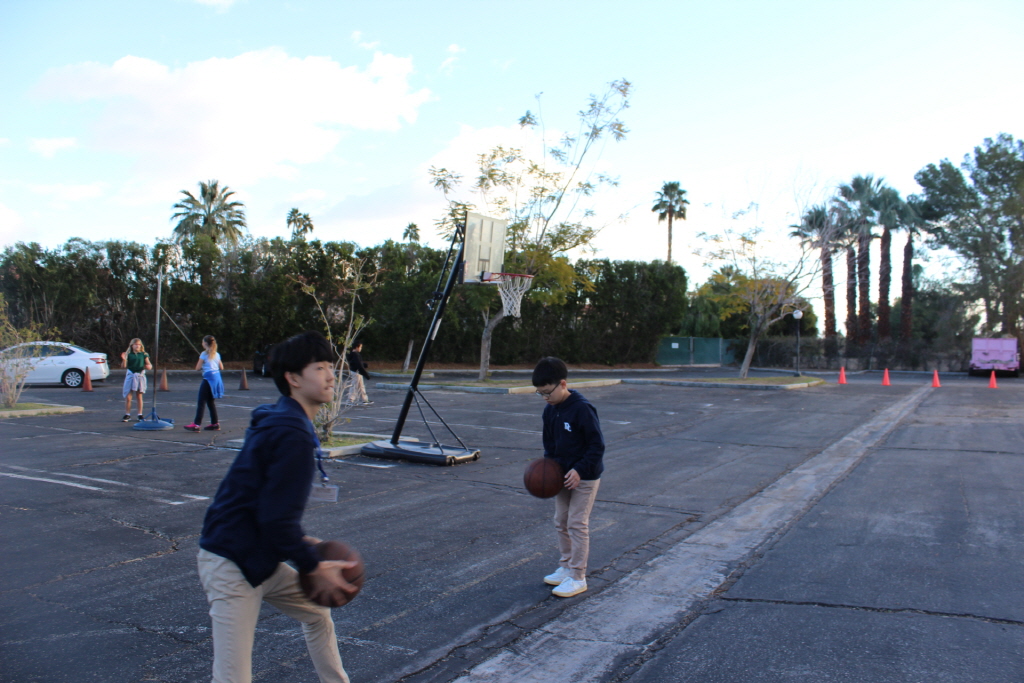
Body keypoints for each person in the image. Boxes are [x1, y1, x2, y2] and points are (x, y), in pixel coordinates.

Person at [197, 331, 355, 683]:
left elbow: (263, 504)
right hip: (231, 563)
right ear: (293, 378)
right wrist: (312, 562)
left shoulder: (285, 419)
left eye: (331, 366)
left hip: (259, 558)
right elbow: (275, 520)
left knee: (317, 614)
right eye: (319, 368)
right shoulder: (291, 432)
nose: (331, 376)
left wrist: (302, 544)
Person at [532, 356, 605, 598]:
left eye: (547, 392)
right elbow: (550, 446)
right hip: (562, 476)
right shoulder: (549, 410)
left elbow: (597, 446)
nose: (545, 397)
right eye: (540, 393)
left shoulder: (582, 409)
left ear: (562, 384)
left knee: (576, 523)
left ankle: (577, 577)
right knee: (561, 521)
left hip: (585, 476)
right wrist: (549, 470)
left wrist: (580, 470)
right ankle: (565, 566)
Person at [185, 335, 224, 432]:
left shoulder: (203, 354)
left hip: (208, 378)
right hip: (217, 378)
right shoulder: (216, 354)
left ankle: (196, 424)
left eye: (202, 342)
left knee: (201, 401)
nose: (202, 343)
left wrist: (203, 365)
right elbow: (221, 367)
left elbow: (197, 368)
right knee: (210, 401)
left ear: (205, 343)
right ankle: (215, 423)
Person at [119, 338, 152, 422]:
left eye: (139, 344)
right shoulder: (128, 354)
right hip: (131, 375)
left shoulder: (144, 354)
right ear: (132, 345)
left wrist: (148, 366)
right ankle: (127, 414)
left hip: (140, 375)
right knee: (128, 397)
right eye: (136, 344)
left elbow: (149, 364)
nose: (137, 346)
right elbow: (123, 366)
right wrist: (124, 359)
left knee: (139, 396)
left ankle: (140, 414)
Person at [345, 341, 372, 406]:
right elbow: (358, 365)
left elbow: (357, 363)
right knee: (354, 386)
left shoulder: (353, 354)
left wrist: (364, 365)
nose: (361, 348)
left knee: (361, 386)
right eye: (360, 347)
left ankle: (365, 399)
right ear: (357, 347)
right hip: (356, 372)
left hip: (356, 372)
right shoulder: (355, 355)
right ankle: (350, 400)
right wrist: (366, 374)